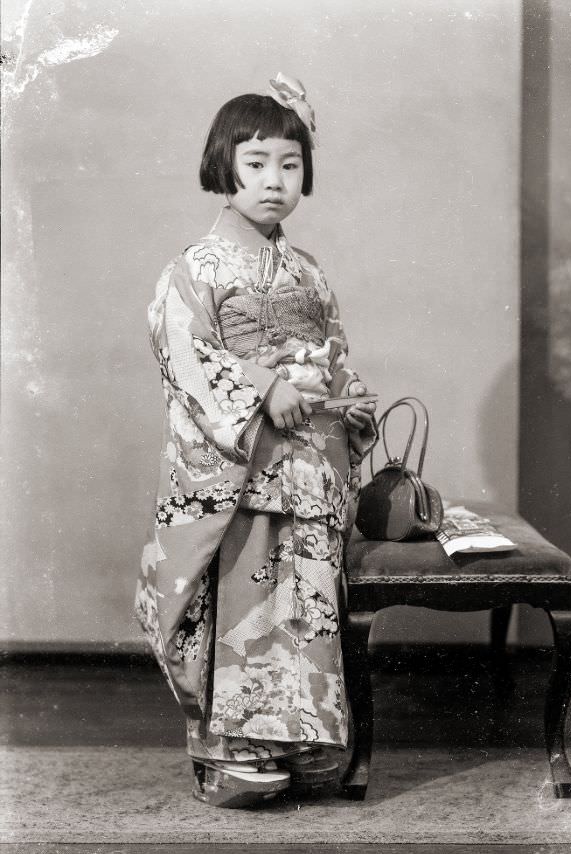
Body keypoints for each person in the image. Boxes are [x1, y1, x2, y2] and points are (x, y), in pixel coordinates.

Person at [135, 73, 377, 808]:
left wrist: (348, 403)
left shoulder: (308, 273)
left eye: (290, 164)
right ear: (224, 169)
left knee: (305, 600)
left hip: (308, 465)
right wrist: (263, 389)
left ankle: (301, 739)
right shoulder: (193, 270)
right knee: (243, 597)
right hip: (242, 468)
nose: (274, 182)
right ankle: (229, 747)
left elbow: (334, 353)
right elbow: (185, 355)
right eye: (256, 164)